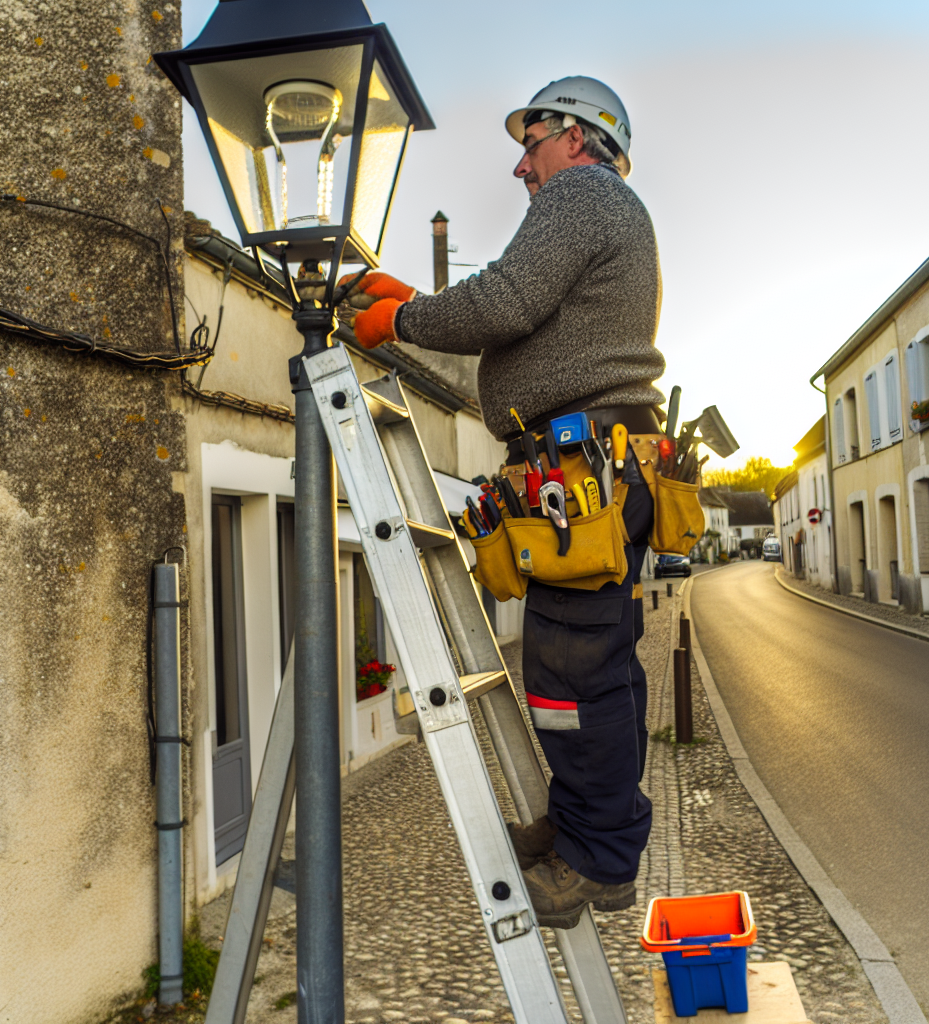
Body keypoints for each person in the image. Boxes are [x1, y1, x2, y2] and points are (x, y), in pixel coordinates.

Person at [342, 76, 666, 929]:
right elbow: (508, 297)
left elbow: (501, 303)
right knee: (599, 664)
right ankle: (589, 829)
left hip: (583, 470)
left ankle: (597, 860)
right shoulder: (600, 208)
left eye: (531, 144)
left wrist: (400, 320)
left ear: (576, 136)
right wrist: (419, 302)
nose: (522, 167)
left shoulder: (583, 194)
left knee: (571, 673)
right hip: (595, 469)